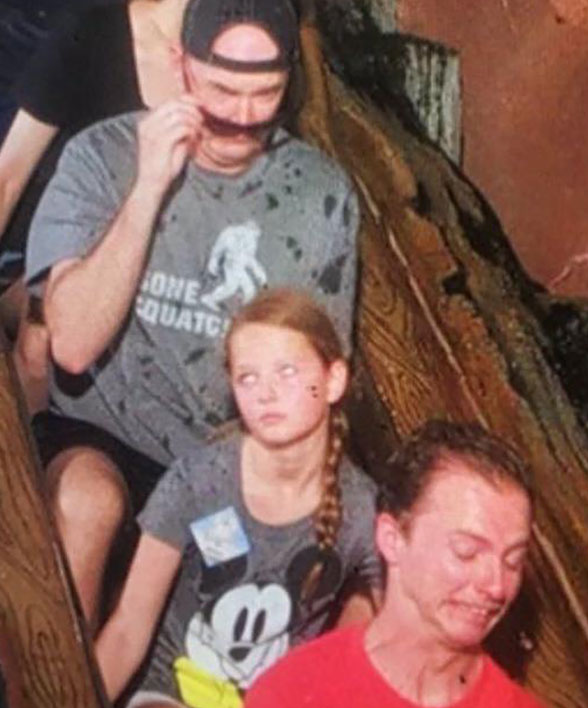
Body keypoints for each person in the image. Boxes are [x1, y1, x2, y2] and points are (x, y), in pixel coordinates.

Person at [24, 0, 359, 628]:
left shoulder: (320, 195)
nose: (241, 116)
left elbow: (316, 378)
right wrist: (150, 187)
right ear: (181, 68)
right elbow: (70, 343)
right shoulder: (104, 156)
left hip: (227, 453)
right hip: (106, 435)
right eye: (223, 90)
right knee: (87, 502)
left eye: (266, 94)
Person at [95, 289, 378, 708]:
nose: (266, 391)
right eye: (248, 378)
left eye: (286, 370)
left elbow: (384, 614)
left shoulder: (359, 510)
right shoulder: (201, 479)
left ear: (334, 379)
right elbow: (127, 628)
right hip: (169, 692)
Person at [229, 419, 573, 708]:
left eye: (513, 560)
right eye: (467, 552)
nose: (495, 585)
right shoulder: (294, 698)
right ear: (392, 540)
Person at [0, 0, 187, 404]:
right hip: (39, 265)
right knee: (47, 322)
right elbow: (9, 175)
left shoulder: (247, 59)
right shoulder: (95, 29)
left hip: (162, 277)